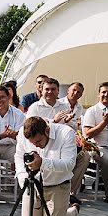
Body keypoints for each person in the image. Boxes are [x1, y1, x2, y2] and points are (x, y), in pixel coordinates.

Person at [27, 77, 90, 206]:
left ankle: (69, 191)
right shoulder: (35, 107)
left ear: (58, 91)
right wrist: (53, 121)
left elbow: (73, 127)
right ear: (41, 90)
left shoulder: (65, 106)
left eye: (53, 89)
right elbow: (30, 129)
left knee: (85, 157)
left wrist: (68, 122)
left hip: (63, 143)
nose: (50, 92)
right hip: (42, 146)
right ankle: (46, 188)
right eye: (47, 89)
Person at [15, 117, 79, 216]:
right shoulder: (22, 133)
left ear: (47, 130)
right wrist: (23, 178)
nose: (36, 146)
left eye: (39, 141)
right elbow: (18, 156)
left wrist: (43, 163)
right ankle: (46, 215)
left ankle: (73, 211)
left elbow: (69, 164)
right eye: (33, 144)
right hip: (33, 186)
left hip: (58, 186)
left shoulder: (66, 133)